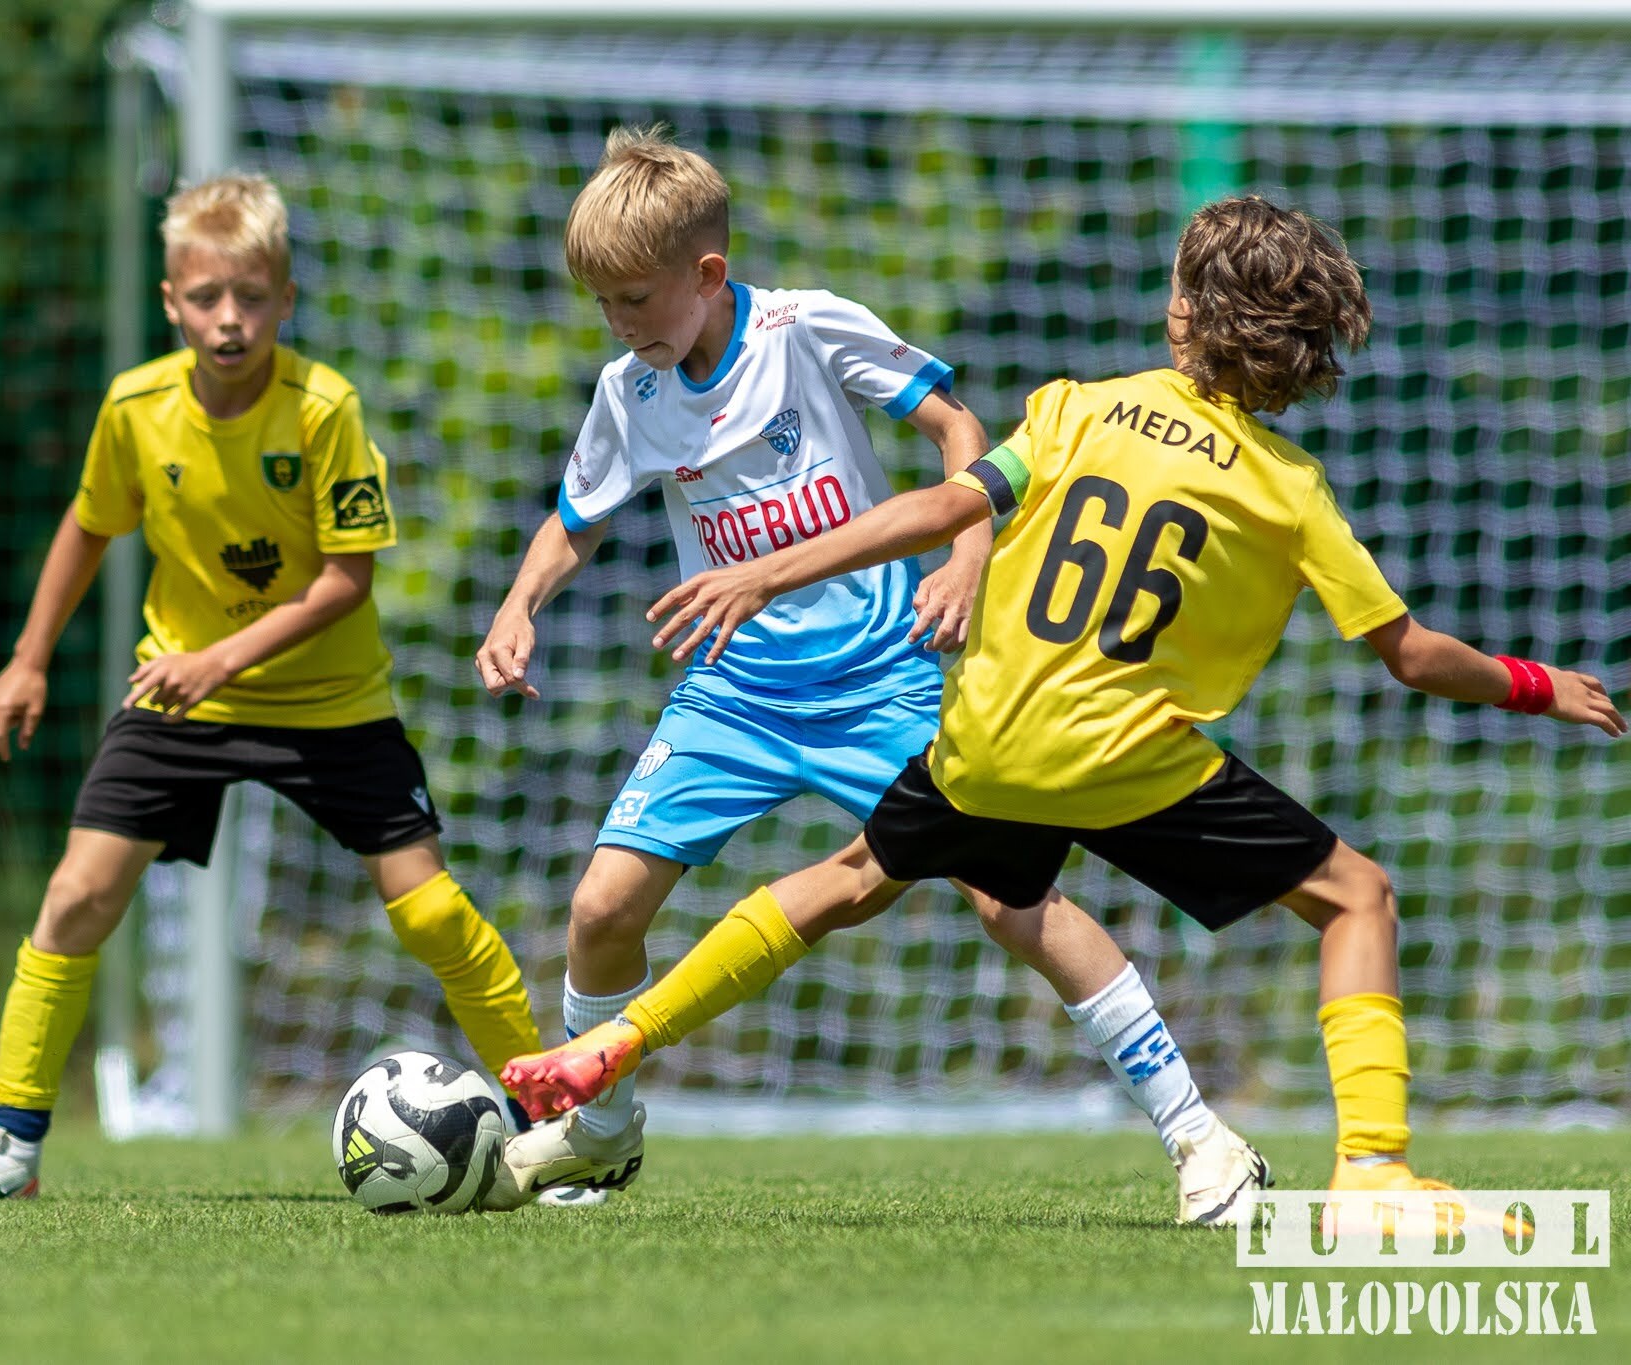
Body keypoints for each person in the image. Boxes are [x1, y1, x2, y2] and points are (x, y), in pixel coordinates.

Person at [500, 196, 1625, 1209]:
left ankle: (620, 1040)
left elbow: (947, 495)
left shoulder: (1076, 410)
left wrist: (783, 571)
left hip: (979, 727)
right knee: (1353, 897)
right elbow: (1413, 656)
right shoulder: (1290, 491)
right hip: (1114, 753)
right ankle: (1362, 1169)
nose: (619, 319)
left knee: (847, 882)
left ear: (1182, 318)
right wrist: (1536, 686)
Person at [475, 129, 1265, 1221]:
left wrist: (967, 555)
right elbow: (577, 520)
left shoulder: (805, 329)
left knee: (1013, 903)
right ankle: (598, 1135)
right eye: (601, 303)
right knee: (602, 906)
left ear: (707, 274)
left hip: (882, 683)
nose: (616, 322)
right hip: (736, 695)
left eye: (634, 298)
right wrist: (519, 604)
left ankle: (1201, 1139)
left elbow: (957, 429)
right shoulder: (629, 390)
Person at [0, 173, 541, 1202]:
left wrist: (217, 659)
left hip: (329, 705)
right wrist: (28, 658)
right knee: (77, 896)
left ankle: (553, 1126)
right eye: (207, 297)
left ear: (284, 300)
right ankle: (12, 1147)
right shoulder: (135, 407)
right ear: (170, 300)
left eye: (251, 297)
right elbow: (88, 523)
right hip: (182, 698)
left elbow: (347, 581)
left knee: (432, 915)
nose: (229, 318)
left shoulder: (323, 407)